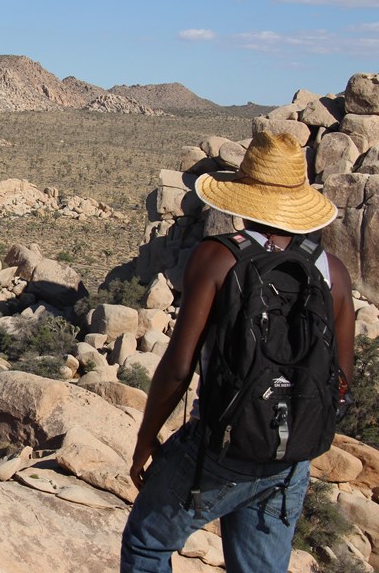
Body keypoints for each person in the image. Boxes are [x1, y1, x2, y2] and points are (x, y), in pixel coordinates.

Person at [120, 132, 355, 573]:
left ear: (245, 196)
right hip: (291, 458)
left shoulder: (217, 257)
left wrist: (146, 438)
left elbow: (179, 366)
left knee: (146, 544)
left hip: (220, 450)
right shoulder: (334, 272)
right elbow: (342, 378)